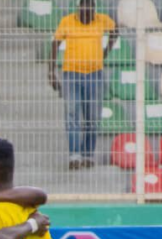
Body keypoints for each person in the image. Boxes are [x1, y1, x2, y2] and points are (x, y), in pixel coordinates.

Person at [49, 0, 118, 170]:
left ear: (94, 10)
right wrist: (51, 71)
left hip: (95, 74)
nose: (87, 14)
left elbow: (115, 32)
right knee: (72, 114)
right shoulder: (67, 21)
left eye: (90, 11)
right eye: (84, 10)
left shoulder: (102, 20)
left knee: (92, 117)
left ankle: (88, 155)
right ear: (78, 9)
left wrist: (104, 52)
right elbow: (55, 44)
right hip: (71, 73)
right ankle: (74, 155)